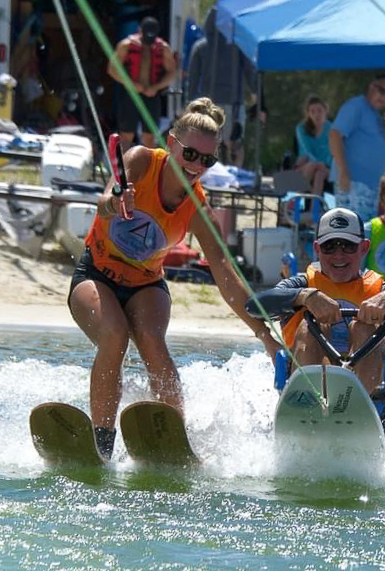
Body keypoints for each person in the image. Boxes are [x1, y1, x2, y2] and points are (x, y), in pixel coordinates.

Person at [69, 98, 280, 459]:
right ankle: (102, 440)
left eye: (207, 160)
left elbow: (226, 275)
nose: (196, 165)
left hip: (146, 286)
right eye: (190, 154)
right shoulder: (140, 161)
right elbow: (105, 201)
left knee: (151, 338)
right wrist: (114, 202)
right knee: (115, 334)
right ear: (171, 143)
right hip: (96, 275)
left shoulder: (197, 207)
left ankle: (173, 440)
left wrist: (264, 333)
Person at [245, 208, 385, 411]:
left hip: (373, 403)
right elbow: (254, 306)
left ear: (364, 248)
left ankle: (351, 408)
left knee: (364, 328)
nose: (338, 255)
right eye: (330, 247)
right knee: (310, 328)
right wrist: (304, 297)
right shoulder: (300, 285)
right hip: (310, 394)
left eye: (348, 246)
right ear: (317, 249)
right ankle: (309, 406)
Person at [186, 8, 262, 167]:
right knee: (234, 143)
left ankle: (216, 175)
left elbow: (192, 80)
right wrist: (258, 98)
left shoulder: (201, 47)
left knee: (211, 141)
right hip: (230, 103)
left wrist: (189, 105)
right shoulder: (238, 46)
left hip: (212, 104)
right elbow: (250, 73)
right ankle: (232, 176)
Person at [329, 75, 385, 221]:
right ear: (372, 87)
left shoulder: (376, 116)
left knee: (362, 234)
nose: (384, 98)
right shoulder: (355, 106)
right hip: (353, 184)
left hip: (371, 187)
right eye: (382, 91)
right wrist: (343, 171)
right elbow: (335, 136)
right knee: (351, 232)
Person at [107, 16, 177, 149]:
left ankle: (147, 167)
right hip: (130, 95)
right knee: (126, 136)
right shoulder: (126, 45)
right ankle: (125, 167)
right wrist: (130, 84)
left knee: (149, 137)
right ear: (140, 30)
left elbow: (172, 72)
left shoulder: (163, 48)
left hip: (151, 95)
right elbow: (112, 69)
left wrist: (156, 87)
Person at [294, 95, 332, 195]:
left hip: (325, 168)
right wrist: (317, 163)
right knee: (312, 166)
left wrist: (323, 164)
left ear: (326, 110)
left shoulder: (332, 129)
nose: (316, 115)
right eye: (312, 111)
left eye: (319, 110)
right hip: (306, 166)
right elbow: (307, 151)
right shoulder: (301, 128)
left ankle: (314, 208)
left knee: (320, 173)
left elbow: (331, 152)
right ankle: (295, 202)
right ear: (308, 113)